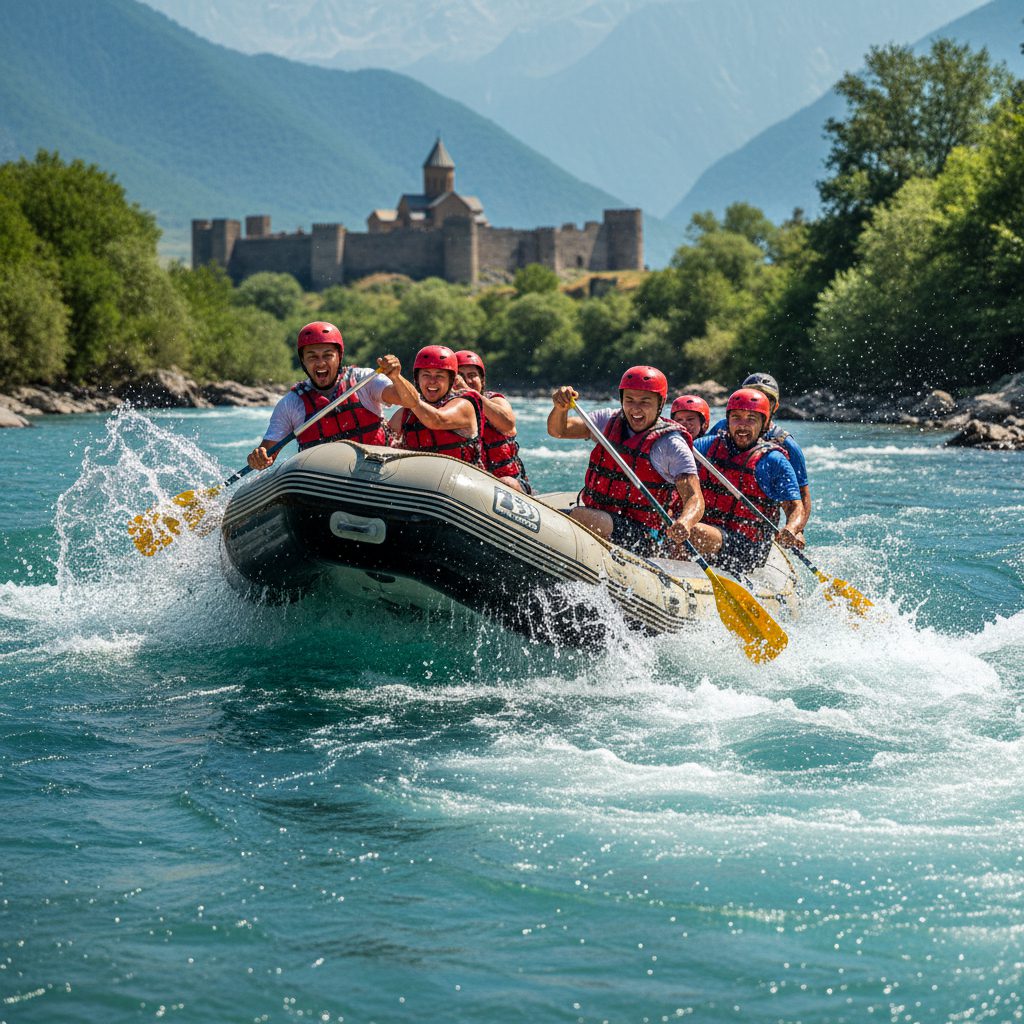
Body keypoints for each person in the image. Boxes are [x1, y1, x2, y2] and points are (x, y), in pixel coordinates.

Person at [547, 366, 704, 556]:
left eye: (645, 401)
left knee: (584, 517)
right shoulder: (608, 421)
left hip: (643, 535)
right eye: (629, 400)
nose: (636, 408)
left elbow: (694, 497)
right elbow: (559, 430)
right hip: (599, 516)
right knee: (587, 516)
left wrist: (685, 522)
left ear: (660, 404)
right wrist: (560, 409)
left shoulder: (671, 444)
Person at [247, 321, 418, 470]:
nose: (320, 362)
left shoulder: (364, 380)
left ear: (339, 357)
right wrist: (258, 458)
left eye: (328, 355)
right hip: (326, 481)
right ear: (303, 361)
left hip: (377, 468)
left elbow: (411, 401)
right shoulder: (291, 404)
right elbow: (267, 457)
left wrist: (396, 377)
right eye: (312, 356)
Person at [691, 388, 807, 575]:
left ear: (763, 424)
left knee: (693, 531)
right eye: (736, 417)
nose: (742, 425)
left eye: (751, 419)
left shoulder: (773, 461)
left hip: (748, 547)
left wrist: (792, 528)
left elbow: (795, 507)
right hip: (711, 533)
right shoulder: (707, 446)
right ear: (727, 421)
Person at [708, 372, 811, 528]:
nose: (756, 400)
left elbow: (801, 494)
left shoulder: (787, 445)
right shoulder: (723, 428)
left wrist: (797, 530)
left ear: (775, 406)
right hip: (715, 510)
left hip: (755, 524)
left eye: (766, 397)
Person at [389, 345, 485, 464]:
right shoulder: (406, 414)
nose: (432, 381)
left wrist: (397, 379)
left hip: (461, 477)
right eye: (426, 375)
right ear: (417, 379)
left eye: (439, 375)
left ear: (451, 380)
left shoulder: (464, 405)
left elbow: (437, 420)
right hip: (417, 477)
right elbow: (385, 439)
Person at [454, 349, 532, 493]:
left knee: (505, 482)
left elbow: (508, 424)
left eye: (472, 376)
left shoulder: (495, 401)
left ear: (482, 380)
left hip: (510, 483)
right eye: (461, 376)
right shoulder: (448, 408)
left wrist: (470, 394)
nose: (466, 381)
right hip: (468, 485)